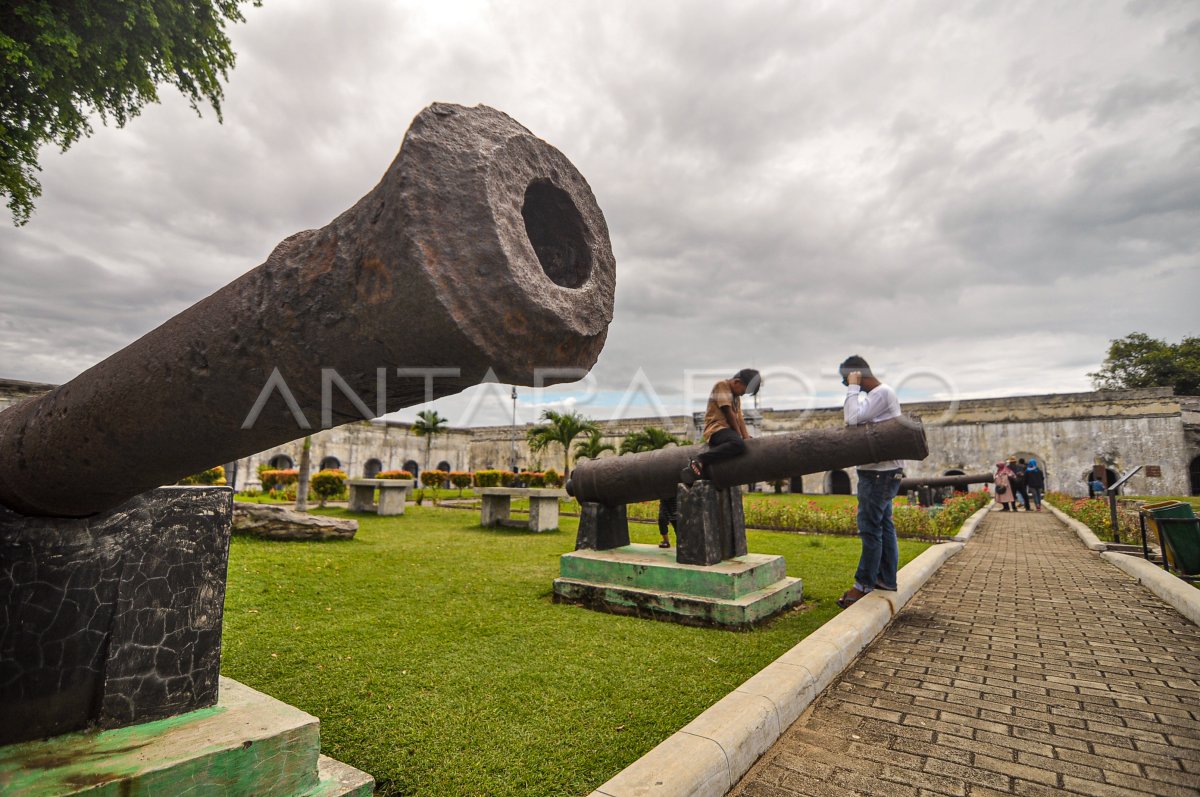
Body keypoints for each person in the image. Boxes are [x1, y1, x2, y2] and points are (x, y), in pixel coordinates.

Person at [835, 355, 904, 609]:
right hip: (882, 471)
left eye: (846, 379)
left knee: (870, 528)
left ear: (857, 374)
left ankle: (863, 584)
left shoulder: (881, 393)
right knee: (884, 526)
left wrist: (853, 386)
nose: (845, 385)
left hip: (878, 474)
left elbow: (851, 419)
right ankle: (885, 579)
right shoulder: (879, 396)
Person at [685, 368, 761, 482]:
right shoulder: (722, 385)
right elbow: (728, 412)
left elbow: (739, 418)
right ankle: (700, 459)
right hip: (716, 429)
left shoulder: (736, 398)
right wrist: (739, 436)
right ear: (737, 382)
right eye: (744, 391)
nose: (743, 394)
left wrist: (746, 438)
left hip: (727, 431)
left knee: (741, 444)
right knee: (737, 444)